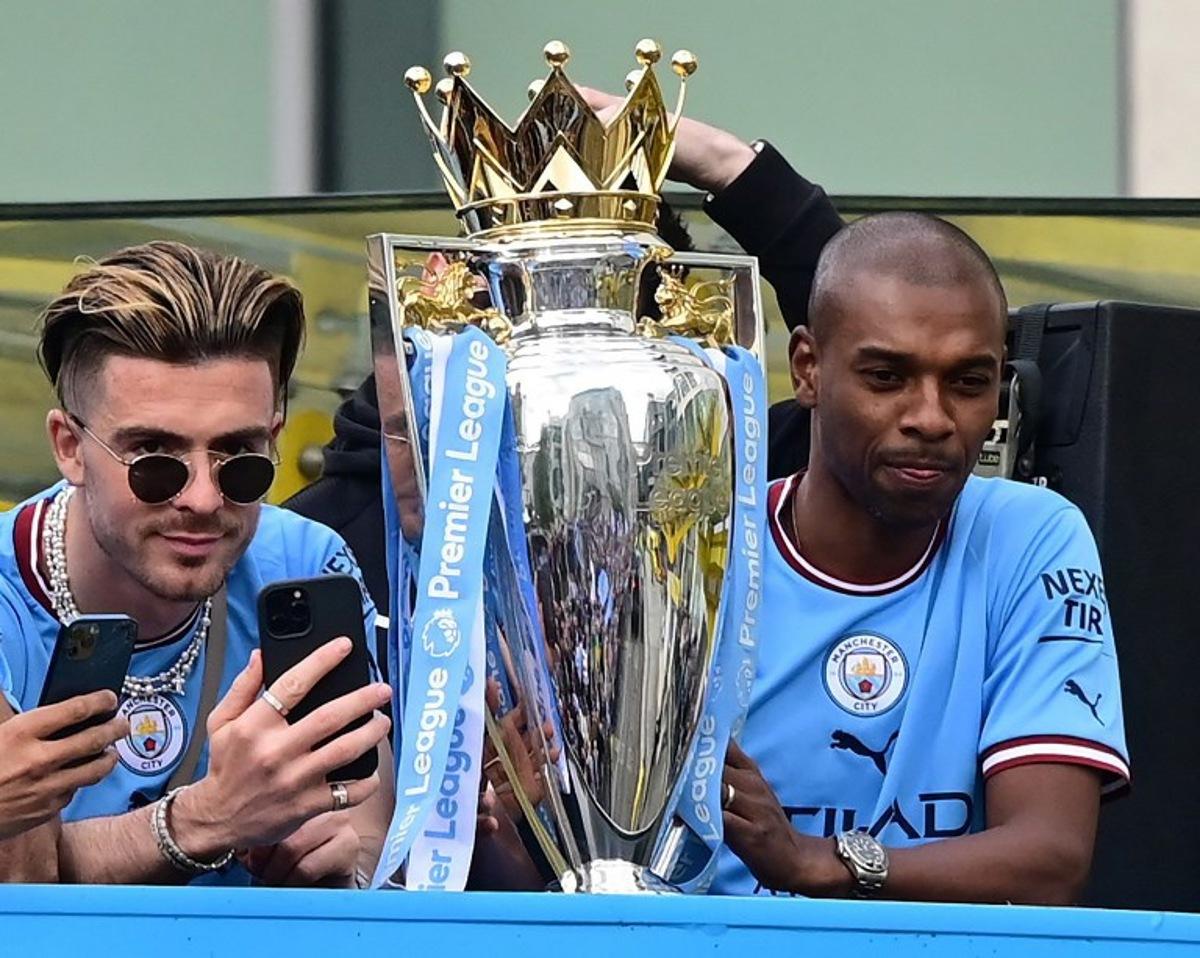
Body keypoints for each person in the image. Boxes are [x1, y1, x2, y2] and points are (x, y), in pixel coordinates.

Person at [285, 98, 845, 616]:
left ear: (673, 342)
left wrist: (732, 167)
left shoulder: (733, 478)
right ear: (455, 313)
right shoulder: (327, 540)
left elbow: (859, 354)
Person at [713, 213, 1128, 903]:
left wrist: (820, 862)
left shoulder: (1031, 536)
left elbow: (1051, 858)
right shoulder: (700, 549)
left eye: (969, 383)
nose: (932, 417)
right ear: (808, 368)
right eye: (887, 376)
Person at [0, 241, 394, 886]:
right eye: (154, 458)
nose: (205, 499)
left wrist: (341, 860)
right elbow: (21, 880)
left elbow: (370, 831)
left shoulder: (302, 563)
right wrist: (207, 820)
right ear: (70, 447)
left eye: (240, 457)